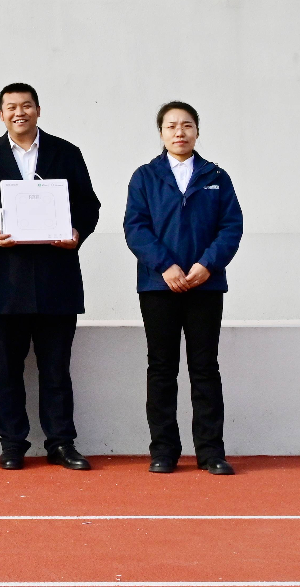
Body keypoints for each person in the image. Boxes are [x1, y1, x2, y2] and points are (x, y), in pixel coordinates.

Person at [0, 83, 100, 471]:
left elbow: (89, 204)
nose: (19, 112)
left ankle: (61, 443)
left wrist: (77, 232)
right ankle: (12, 444)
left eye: (26, 105)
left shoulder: (66, 153)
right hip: (6, 282)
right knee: (6, 369)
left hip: (57, 278)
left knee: (56, 369)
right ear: (1, 114)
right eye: (11, 107)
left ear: (38, 109)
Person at [123, 101, 244, 476]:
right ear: (161, 133)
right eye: (172, 126)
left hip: (205, 286)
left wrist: (207, 264)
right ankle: (164, 451)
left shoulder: (216, 176)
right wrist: (165, 266)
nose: (180, 132)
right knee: (162, 369)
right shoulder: (145, 177)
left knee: (205, 368)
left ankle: (211, 452)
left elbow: (231, 227)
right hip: (158, 286)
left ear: (197, 131)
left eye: (187, 125)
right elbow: (135, 228)